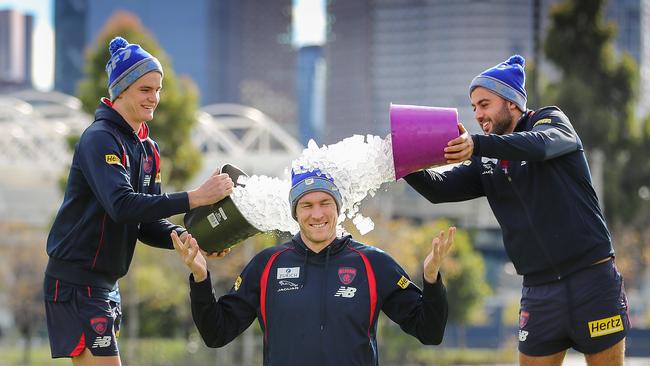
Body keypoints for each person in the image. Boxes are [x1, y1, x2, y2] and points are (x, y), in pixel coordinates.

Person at [404, 55, 629, 366]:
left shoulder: (549, 121)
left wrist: (478, 145)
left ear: (512, 102)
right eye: (474, 108)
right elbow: (438, 190)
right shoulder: (487, 158)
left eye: (484, 104)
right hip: (539, 291)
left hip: (591, 279)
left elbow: (541, 146)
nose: (478, 114)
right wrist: (403, 161)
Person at [43, 36, 234, 365]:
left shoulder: (149, 150)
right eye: (145, 89)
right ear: (120, 90)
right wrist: (196, 197)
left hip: (105, 284)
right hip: (76, 282)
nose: (154, 98)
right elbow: (122, 206)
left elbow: (145, 223)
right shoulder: (99, 138)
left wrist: (195, 238)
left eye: (158, 89)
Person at [172, 169, 454, 365]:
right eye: (306, 205)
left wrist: (431, 280)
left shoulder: (374, 263)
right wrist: (200, 278)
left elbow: (429, 332)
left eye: (324, 203)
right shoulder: (266, 265)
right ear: (295, 212)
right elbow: (216, 333)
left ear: (338, 208)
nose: (316, 214)